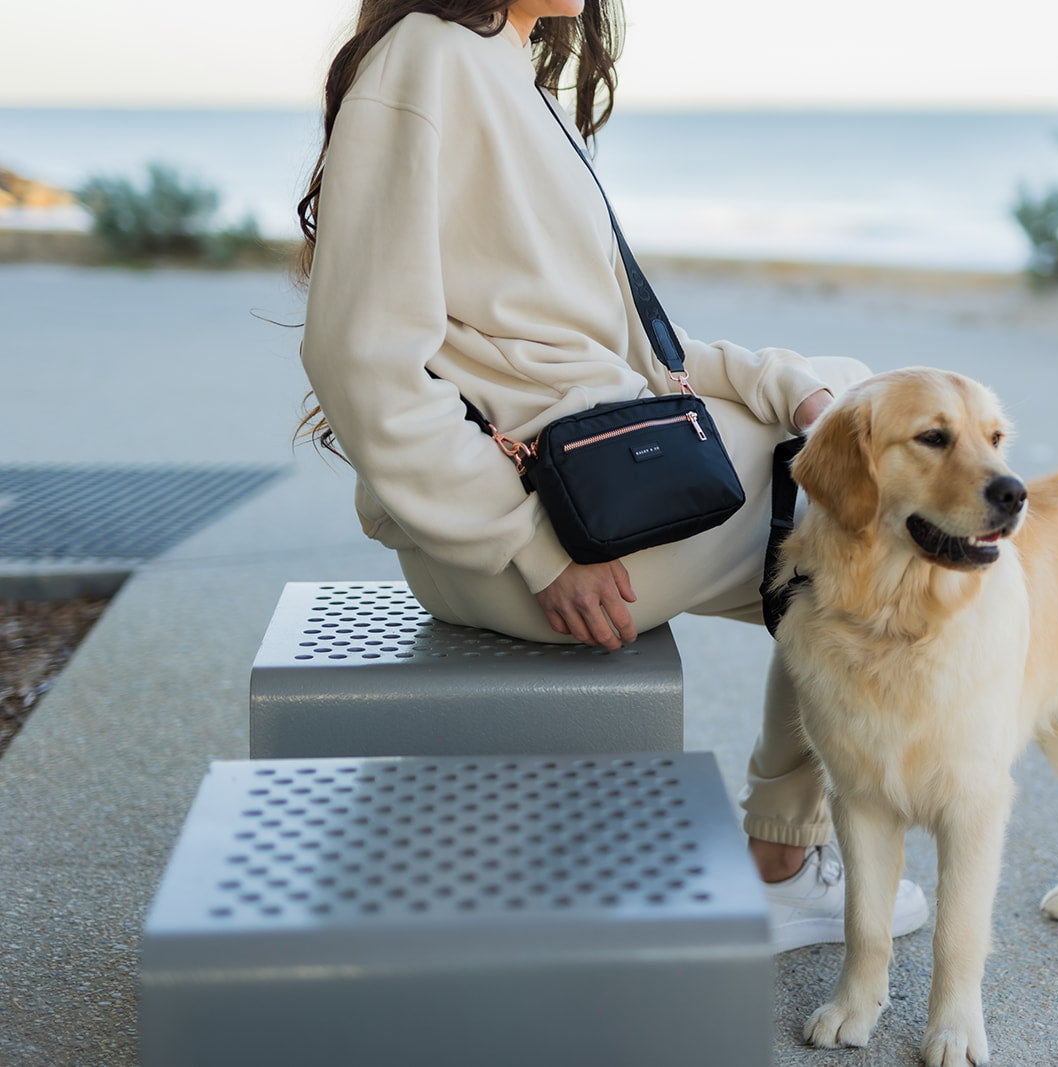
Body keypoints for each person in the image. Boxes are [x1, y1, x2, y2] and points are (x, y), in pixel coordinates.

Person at [295, 0, 928, 950]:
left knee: (850, 406)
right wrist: (535, 548)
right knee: (876, 507)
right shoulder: (426, 60)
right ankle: (784, 858)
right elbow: (360, 356)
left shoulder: (509, 72)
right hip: (528, 530)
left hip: (581, 479)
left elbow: (626, 358)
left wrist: (788, 382)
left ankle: (787, 843)